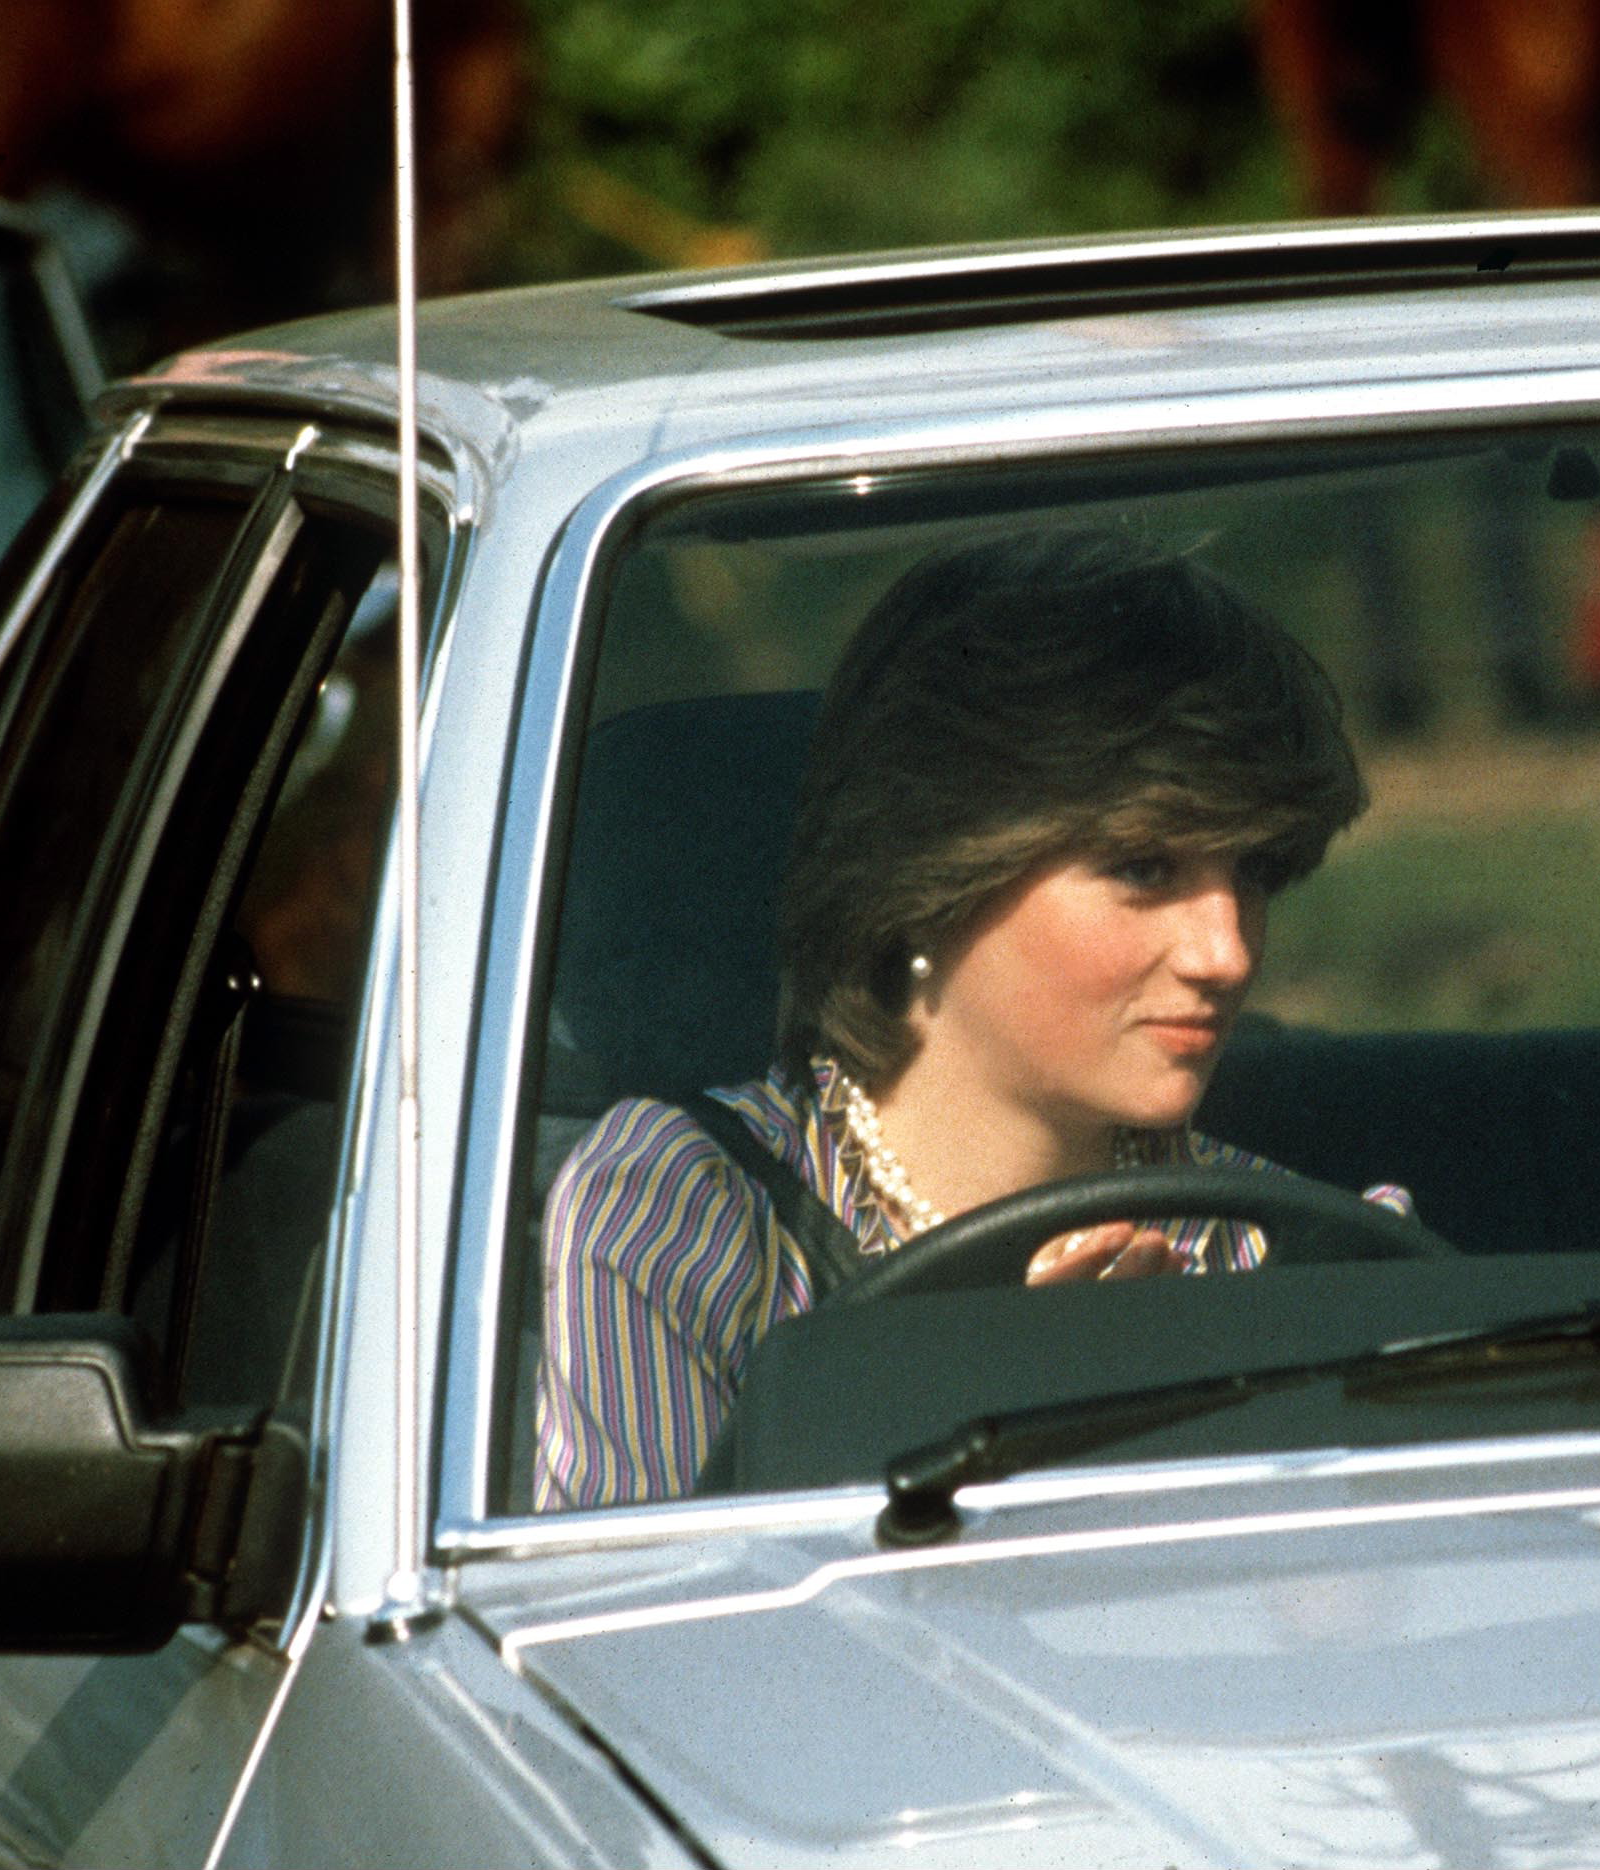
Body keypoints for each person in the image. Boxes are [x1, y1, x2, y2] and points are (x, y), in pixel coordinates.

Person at [534, 529, 1409, 1510]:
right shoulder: (690, 1210)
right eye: (1142, 867)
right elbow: (644, 1603)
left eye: (1253, 872)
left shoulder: (1293, 1250)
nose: (1228, 952)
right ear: (928, 877)